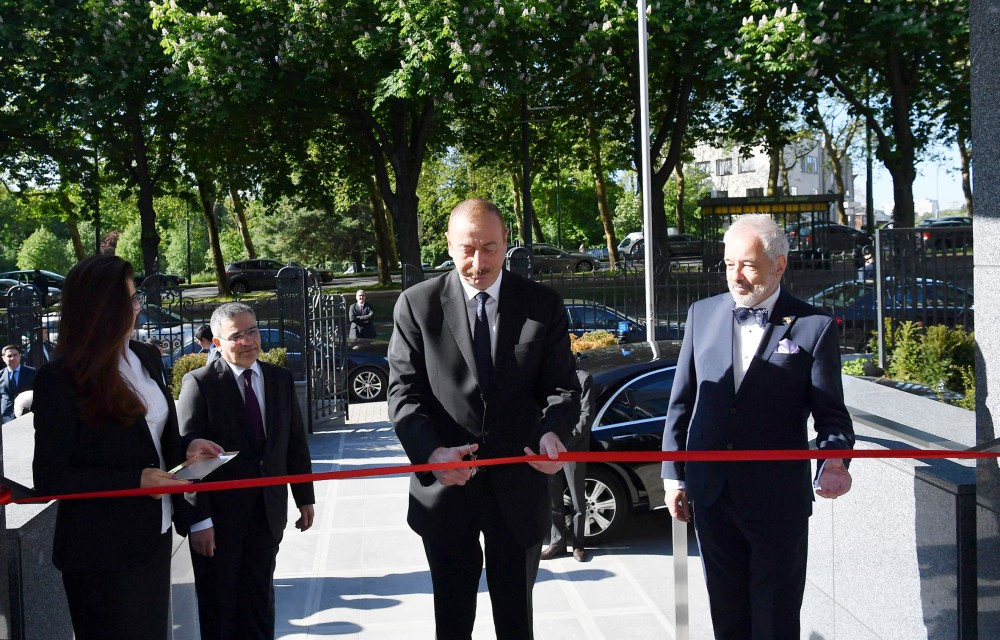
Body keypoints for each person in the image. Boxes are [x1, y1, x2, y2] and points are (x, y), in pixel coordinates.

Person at [388, 198, 581, 640]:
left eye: (490, 248)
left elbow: (562, 388)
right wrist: (431, 452)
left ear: (507, 242)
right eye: (467, 249)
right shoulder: (417, 305)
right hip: (446, 489)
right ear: (449, 245)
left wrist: (553, 433)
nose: (478, 262)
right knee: (452, 623)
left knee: (516, 623)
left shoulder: (542, 304)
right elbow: (404, 392)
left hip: (519, 487)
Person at [661, 214, 855, 640]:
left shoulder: (814, 327)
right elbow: (682, 402)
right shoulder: (702, 313)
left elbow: (832, 416)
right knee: (727, 617)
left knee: (775, 620)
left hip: (777, 502)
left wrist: (834, 460)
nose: (737, 276)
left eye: (748, 264)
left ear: (779, 265)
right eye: (730, 264)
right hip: (711, 495)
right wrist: (673, 476)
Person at [31, 254, 221, 640]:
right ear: (102, 308)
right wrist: (134, 480)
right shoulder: (61, 378)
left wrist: (187, 448)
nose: (138, 308)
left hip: (156, 532)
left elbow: (155, 438)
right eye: (131, 300)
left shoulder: (147, 357)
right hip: (100, 551)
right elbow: (49, 477)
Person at [177, 301, 316, 640]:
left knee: (260, 605)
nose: (248, 340)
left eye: (252, 330)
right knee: (221, 611)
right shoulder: (200, 383)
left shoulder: (280, 380)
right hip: (219, 524)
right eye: (236, 335)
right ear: (217, 342)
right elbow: (189, 460)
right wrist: (199, 520)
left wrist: (304, 498)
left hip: (267, 516)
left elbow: (294, 443)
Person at [542, 368, 596, 562]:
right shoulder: (549, 378)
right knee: (553, 497)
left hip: (574, 447)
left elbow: (587, 415)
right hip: (550, 449)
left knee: (577, 500)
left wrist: (565, 442)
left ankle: (578, 545)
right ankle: (557, 542)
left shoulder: (584, 378)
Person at [2, 344, 35, 424]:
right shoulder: (0, 375)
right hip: (5, 417)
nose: (12, 358)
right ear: (3, 358)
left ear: (20, 356)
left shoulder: (32, 373)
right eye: (9, 356)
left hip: (26, 415)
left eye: (15, 355)